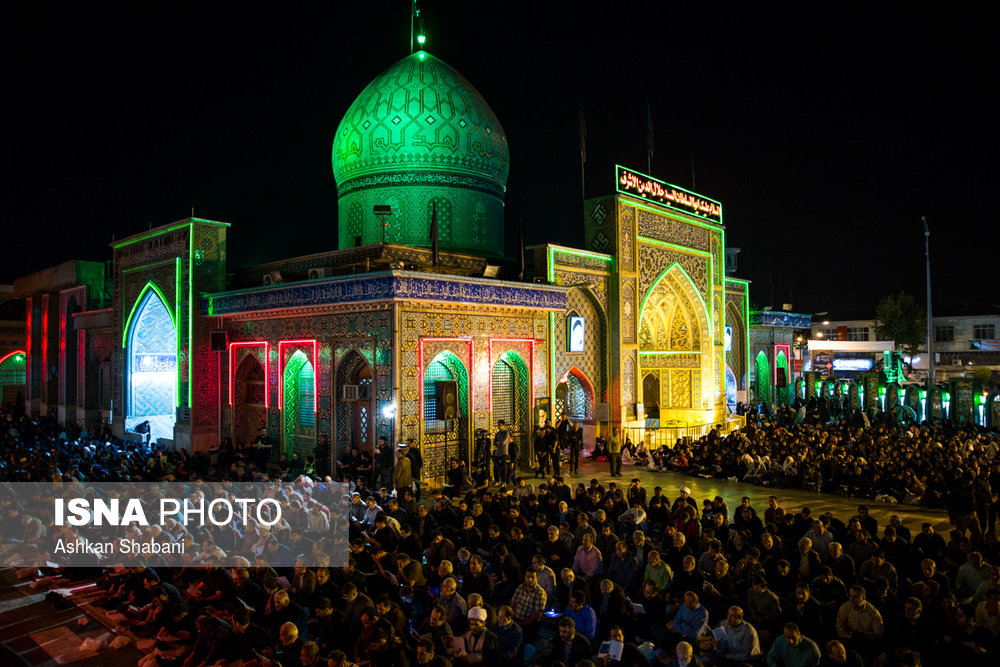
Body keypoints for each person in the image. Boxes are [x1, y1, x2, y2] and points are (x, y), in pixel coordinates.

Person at [492, 421, 510, 487]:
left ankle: (504, 481)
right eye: (498, 425)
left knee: (503, 467)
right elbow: (494, 442)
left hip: (503, 452)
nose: (498, 426)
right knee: (496, 467)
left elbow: (503, 443)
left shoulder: (506, 433)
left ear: (503, 425)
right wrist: (497, 443)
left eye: (500, 425)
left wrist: (498, 443)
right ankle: (497, 480)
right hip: (497, 452)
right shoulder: (497, 434)